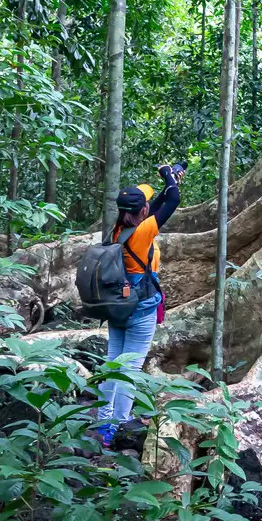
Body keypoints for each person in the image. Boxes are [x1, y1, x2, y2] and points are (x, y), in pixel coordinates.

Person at [95, 162, 184, 443]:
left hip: (116, 306)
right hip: (139, 307)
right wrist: (169, 177)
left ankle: (103, 424)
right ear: (142, 211)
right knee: (130, 368)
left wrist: (172, 175)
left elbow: (159, 201)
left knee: (114, 362)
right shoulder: (144, 232)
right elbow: (172, 200)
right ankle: (119, 426)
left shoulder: (118, 228)